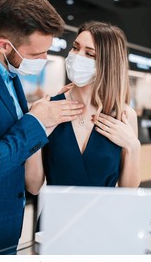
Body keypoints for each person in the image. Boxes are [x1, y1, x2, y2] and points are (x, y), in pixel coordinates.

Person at [0, 0, 84, 255]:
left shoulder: (7, 73)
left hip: (5, 229)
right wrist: (37, 120)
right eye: (37, 53)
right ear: (5, 45)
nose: (44, 58)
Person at [25, 21, 141, 198]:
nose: (77, 56)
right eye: (75, 48)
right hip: (55, 221)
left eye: (89, 53)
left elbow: (128, 191)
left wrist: (133, 147)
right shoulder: (47, 109)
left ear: (108, 63)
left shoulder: (124, 116)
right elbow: (33, 186)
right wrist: (34, 130)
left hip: (103, 221)